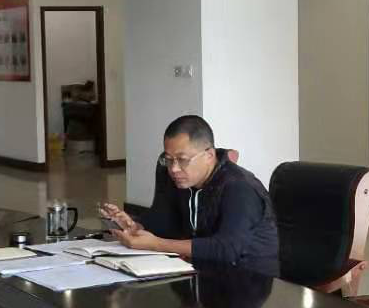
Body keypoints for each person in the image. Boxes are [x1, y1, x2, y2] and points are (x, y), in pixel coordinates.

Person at [99, 115, 279, 276]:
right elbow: (163, 220)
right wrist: (134, 225)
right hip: (197, 270)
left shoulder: (240, 187)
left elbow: (227, 248)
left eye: (182, 160)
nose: (174, 169)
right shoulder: (176, 176)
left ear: (209, 155)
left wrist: (156, 244)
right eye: (169, 159)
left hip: (245, 279)